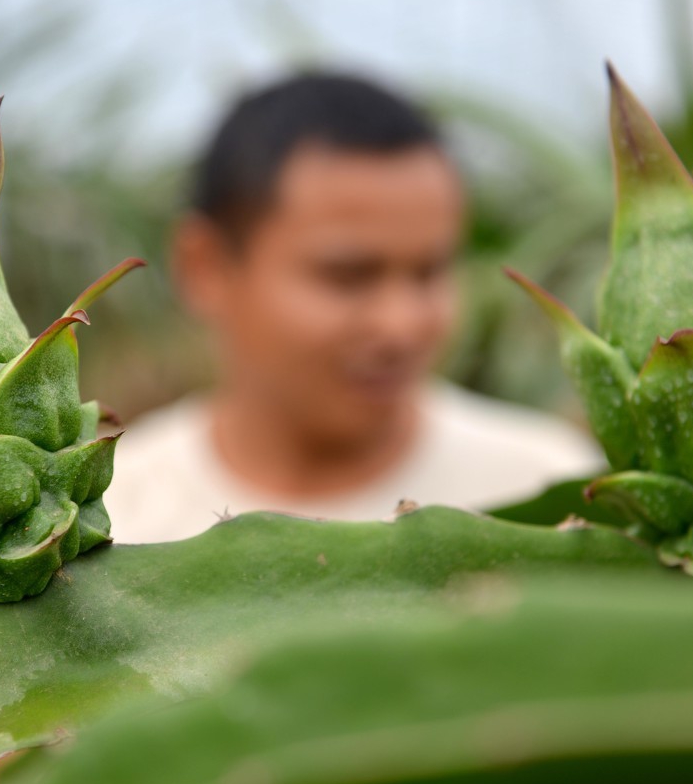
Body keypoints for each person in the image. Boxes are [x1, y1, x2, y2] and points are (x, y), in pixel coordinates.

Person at [104, 72, 603, 544]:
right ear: (205, 267)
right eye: (348, 277)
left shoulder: (555, 496)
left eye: (429, 272)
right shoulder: (108, 519)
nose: (400, 325)